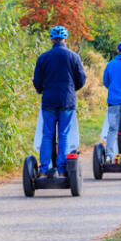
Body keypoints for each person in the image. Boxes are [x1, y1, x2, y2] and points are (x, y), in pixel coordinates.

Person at [32, 25, 87, 178]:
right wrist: (72, 89)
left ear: (51, 39)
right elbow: (81, 79)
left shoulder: (43, 58)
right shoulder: (73, 57)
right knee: (63, 134)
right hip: (67, 101)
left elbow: (37, 81)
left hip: (48, 101)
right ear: (65, 39)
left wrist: (42, 90)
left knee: (47, 134)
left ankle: (43, 170)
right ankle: (62, 170)